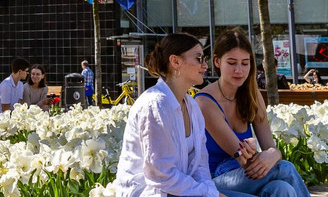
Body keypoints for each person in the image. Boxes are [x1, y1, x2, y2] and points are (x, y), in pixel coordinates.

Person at [197, 30, 311, 197]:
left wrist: (273, 153)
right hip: (214, 181)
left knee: (282, 189)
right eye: (232, 63)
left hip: (245, 176)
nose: (239, 70)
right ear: (217, 61)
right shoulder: (205, 102)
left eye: (245, 63)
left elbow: (270, 148)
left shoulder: (252, 94)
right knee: (285, 168)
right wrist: (271, 155)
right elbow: (243, 157)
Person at [114, 33, 224, 197]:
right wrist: (209, 194)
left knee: (276, 188)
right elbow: (161, 176)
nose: (205, 66)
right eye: (199, 58)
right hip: (152, 193)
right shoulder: (155, 105)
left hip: (184, 192)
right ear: (175, 62)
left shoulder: (192, 106)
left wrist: (209, 192)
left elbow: (200, 165)